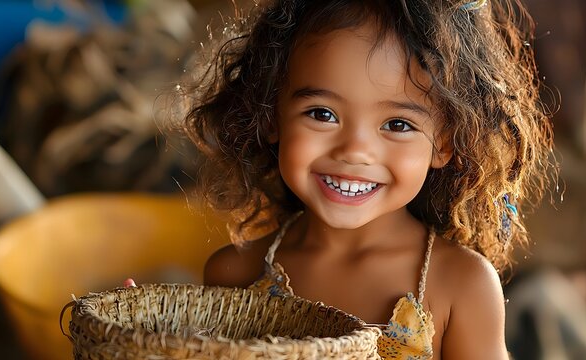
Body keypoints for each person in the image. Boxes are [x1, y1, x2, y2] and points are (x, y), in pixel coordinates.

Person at [186, 0, 555, 358]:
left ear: (445, 143)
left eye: (397, 124)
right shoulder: (234, 273)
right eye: (322, 113)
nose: (354, 151)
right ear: (270, 116)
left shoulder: (462, 286)